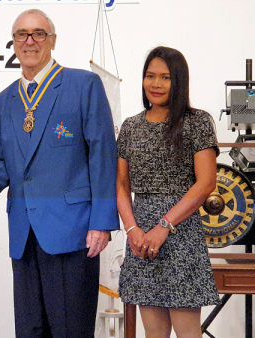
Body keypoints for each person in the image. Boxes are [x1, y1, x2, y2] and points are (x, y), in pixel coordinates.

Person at [0, 9, 119, 337]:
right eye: (22, 34)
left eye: (38, 33)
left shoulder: (83, 85)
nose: (30, 40)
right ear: (13, 43)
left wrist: (101, 222)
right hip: (23, 232)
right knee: (30, 329)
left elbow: (104, 156)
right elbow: (0, 164)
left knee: (70, 329)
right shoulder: (3, 101)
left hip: (73, 229)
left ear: (53, 41)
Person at [117, 46, 220, 337]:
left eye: (165, 77)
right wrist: (132, 229)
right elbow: (121, 185)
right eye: (150, 76)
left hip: (181, 233)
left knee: (187, 332)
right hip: (141, 238)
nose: (156, 84)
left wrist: (164, 225)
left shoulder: (197, 122)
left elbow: (206, 183)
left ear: (179, 81)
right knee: (154, 333)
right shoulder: (131, 127)